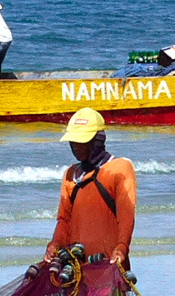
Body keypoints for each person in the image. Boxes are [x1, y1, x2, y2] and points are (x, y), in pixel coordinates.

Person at [44, 108, 136, 270]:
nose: (76, 147)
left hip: (110, 264)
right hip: (75, 266)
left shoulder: (119, 169)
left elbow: (126, 215)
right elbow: (64, 220)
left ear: (98, 140)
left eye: (82, 142)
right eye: (73, 142)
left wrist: (122, 247)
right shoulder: (71, 174)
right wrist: (55, 244)